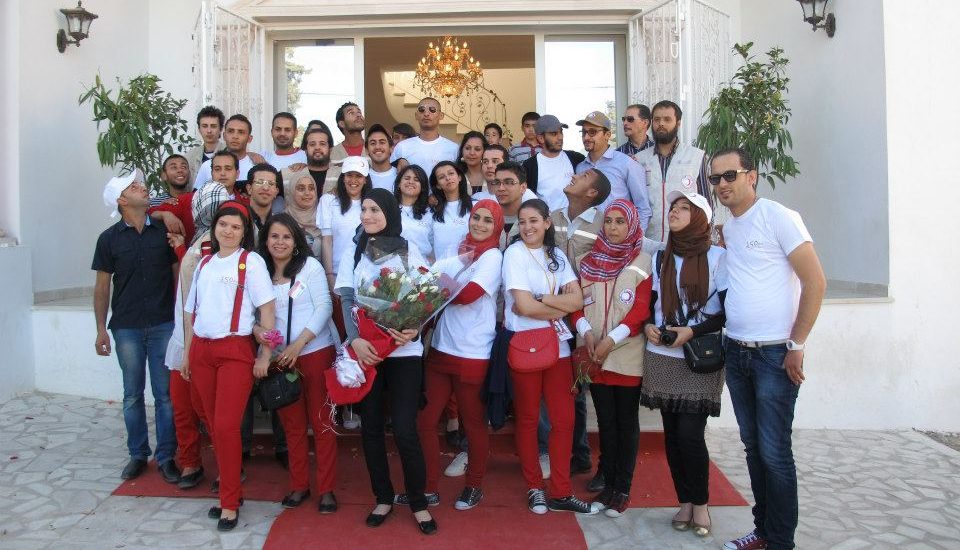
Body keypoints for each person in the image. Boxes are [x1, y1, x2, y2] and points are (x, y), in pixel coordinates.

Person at [714, 149, 825, 550]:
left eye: (729, 175)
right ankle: (763, 532)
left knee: (775, 452)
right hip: (737, 351)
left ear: (752, 176)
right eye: (715, 178)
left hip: (775, 355)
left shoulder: (779, 217)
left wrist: (797, 344)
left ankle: (781, 542)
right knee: (754, 449)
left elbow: (815, 282)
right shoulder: (731, 227)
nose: (722, 184)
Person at [333, 188, 437, 535]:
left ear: (390, 213)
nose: (367, 215)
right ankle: (383, 497)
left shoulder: (408, 249)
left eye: (375, 209)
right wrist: (356, 340)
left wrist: (414, 327)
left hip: (404, 352)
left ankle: (418, 502)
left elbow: (426, 295)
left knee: (405, 428)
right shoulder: (354, 250)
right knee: (372, 427)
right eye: (364, 209)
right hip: (369, 353)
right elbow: (347, 298)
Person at [182, 201, 276, 531]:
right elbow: (191, 313)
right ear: (215, 227)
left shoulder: (251, 262)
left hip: (234, 349)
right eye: (224, 224)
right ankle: (230, 490)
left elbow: (267, 311)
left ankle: (229, 502)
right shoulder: (205, 263)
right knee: (211, 423)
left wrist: (265, 354)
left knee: (225, 426)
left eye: (236, 227)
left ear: (244, 232)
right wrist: (187, 354)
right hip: (202, 350)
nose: (229, 231)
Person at [502, 198, 596, 515]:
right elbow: (522, 306)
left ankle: (561, 491)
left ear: (546, 223)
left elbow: (578, 300)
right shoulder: (514, 254)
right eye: (522, 221)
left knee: (564, 420)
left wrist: (541, 299)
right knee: (528, 419)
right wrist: (557, 305)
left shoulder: (556, 255)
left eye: (534, 220)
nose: (527, 227)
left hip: (559, 347)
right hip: (526, 345)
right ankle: (534, 488)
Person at [640, 190, 725, 537]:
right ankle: (685, 502)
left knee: (690, 435)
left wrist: (691, 331)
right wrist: (648, 324)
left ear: (700, 218)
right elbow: (653, 302)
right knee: (672, 436)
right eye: (673, 207)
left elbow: (726, 313)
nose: (674, 212)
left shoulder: (718, 257)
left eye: (683, 208)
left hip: (698, 357)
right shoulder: (662, 255)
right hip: (662, 355)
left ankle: (701, 503)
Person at [417, 199, 504, 511]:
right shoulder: (458, 249)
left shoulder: (493, 257)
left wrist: (433, 283)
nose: (479, 224)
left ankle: (474, 485)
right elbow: (431, 283)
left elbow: (467, 295)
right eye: (476, 217)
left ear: (497, 226)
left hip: (473, 352)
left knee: (473, 423)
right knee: (426, 420)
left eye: (488, 220)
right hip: (442, 348)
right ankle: (428, 487)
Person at [93, 170, 179, 484]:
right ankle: (138, 454)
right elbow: (102, 287)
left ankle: (166, 456)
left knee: (165, 395)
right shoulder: (108, 239)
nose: (142, 188)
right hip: (126, 326)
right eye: (134, 186)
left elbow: (176, 275)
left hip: (163, 324)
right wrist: (101, 329)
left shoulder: (163, 232)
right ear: (121, 200)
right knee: (132, 394)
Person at [571, 199, 653, 518]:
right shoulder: (586, 261)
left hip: (625, 354)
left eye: (621, 222)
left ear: (631, 225)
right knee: (605, 422)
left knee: (626, 423)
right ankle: (607, 484)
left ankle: (622, 488)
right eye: (609, 221)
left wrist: (611, 339)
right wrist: (587, 333)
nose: (614, 227)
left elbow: (640, 310)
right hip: (594, 353)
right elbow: (577, 304)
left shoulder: (641, 261)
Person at [255, 214, 339, 513]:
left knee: (322, 422)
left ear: (296, 241)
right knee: (292, 426)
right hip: (280, 360)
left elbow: (324, 307)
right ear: (265, 240)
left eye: (286, 237)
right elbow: (251, 316)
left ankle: (326, 489)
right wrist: (259, 334)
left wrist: (298, 344)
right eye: (274, 236)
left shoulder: (309, 267)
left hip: (315, 351)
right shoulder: (258, 271)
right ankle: (299, 484)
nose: (280, 242)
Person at [633, 100, 713, 245]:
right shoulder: (639, 160)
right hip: (648, 241)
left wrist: (706, 237)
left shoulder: (696, 156)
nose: (661, 124)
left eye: (667, 119)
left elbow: (705, 202)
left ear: (678, 123)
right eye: (657, 119)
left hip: (686, 241)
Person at [318, 156, 372, 341]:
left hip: (365, 277)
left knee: (363, 330)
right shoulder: (329, 201)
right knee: (340, 329)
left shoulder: (371, 203)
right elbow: (327, 240)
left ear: (365, 179)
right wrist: (329, 275)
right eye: (349, 175)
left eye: (358, 176)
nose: (353, 180)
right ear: (343, 177)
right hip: (337, 275)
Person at [574, 111, 650, 220]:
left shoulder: (626, 163)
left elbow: (643, 209)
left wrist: (637, 232)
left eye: (592, 132)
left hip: (617, 230)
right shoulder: (580, 168)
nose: (586, 137)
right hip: (586, 230)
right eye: (584, 132)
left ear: (607, 135)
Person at [522, 115, 585, 211]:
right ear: (541, 138)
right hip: (547, 220)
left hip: (575, 219)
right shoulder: (529, 166)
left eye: (561, 132)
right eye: (554, 134)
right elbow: (528, 200)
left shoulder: (576, 159)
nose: (560, 137)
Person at [390, 97, 459, 176]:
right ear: (416, 115)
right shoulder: (402, 147)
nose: (426, 114)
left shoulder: (453, 148)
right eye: (421, 110)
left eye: (432, 110)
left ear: (441, 115)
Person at [194, 114, 265, 190]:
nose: (235, 136)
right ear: (224, 136)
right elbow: (196, 195)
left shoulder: (257, 166)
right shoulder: (207, 166)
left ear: (249, 139)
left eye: (241, 132)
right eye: (231, 131)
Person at [430, 160, 473, 259]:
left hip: (469, 265)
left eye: (451, 173)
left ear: (459, 177)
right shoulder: (432, 212)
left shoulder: (476, 206)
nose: (448, 178)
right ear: (438, 185)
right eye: (441, 177)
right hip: (441, 267)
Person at [148, 155, 196, 242]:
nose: (180, 170)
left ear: (189, 174)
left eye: (183, 167)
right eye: (174, 167)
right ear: (164, 176)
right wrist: (164, 213)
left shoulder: (198, 198)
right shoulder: (154, 203)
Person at [394, 164, 433, 257]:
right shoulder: (388, 209)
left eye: (416, 180)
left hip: (421, 264)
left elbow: (434, 243)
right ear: (399, 183)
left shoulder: (430, 213)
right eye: (407, 178)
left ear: (422, 187)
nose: (411, 182)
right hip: (392, 263)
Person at [284, 173, 323, 257]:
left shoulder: (324, 216)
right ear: (292, 191)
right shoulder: (283, 220)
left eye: (311, 188)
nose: (307, 193)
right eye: (301, 189)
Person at [185, 105, 225, 183]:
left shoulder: (229, 152)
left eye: (213, 126)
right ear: (199, 129)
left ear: (220, 129)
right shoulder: (190, 157)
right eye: (204, 126)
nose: (209, 131)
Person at [246, 163, 284, 234]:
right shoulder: (237, 219)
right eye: (260, 182)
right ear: (249, 188)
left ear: (276, 192)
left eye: (271, 183)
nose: (266, 188)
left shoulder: (282, 224)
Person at [366, 123, 397, 191]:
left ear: (391, 148)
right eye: (373, 143)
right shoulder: (362, 178)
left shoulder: (401, 175)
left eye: (382, 142)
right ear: (367, 150)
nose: (377, 147)